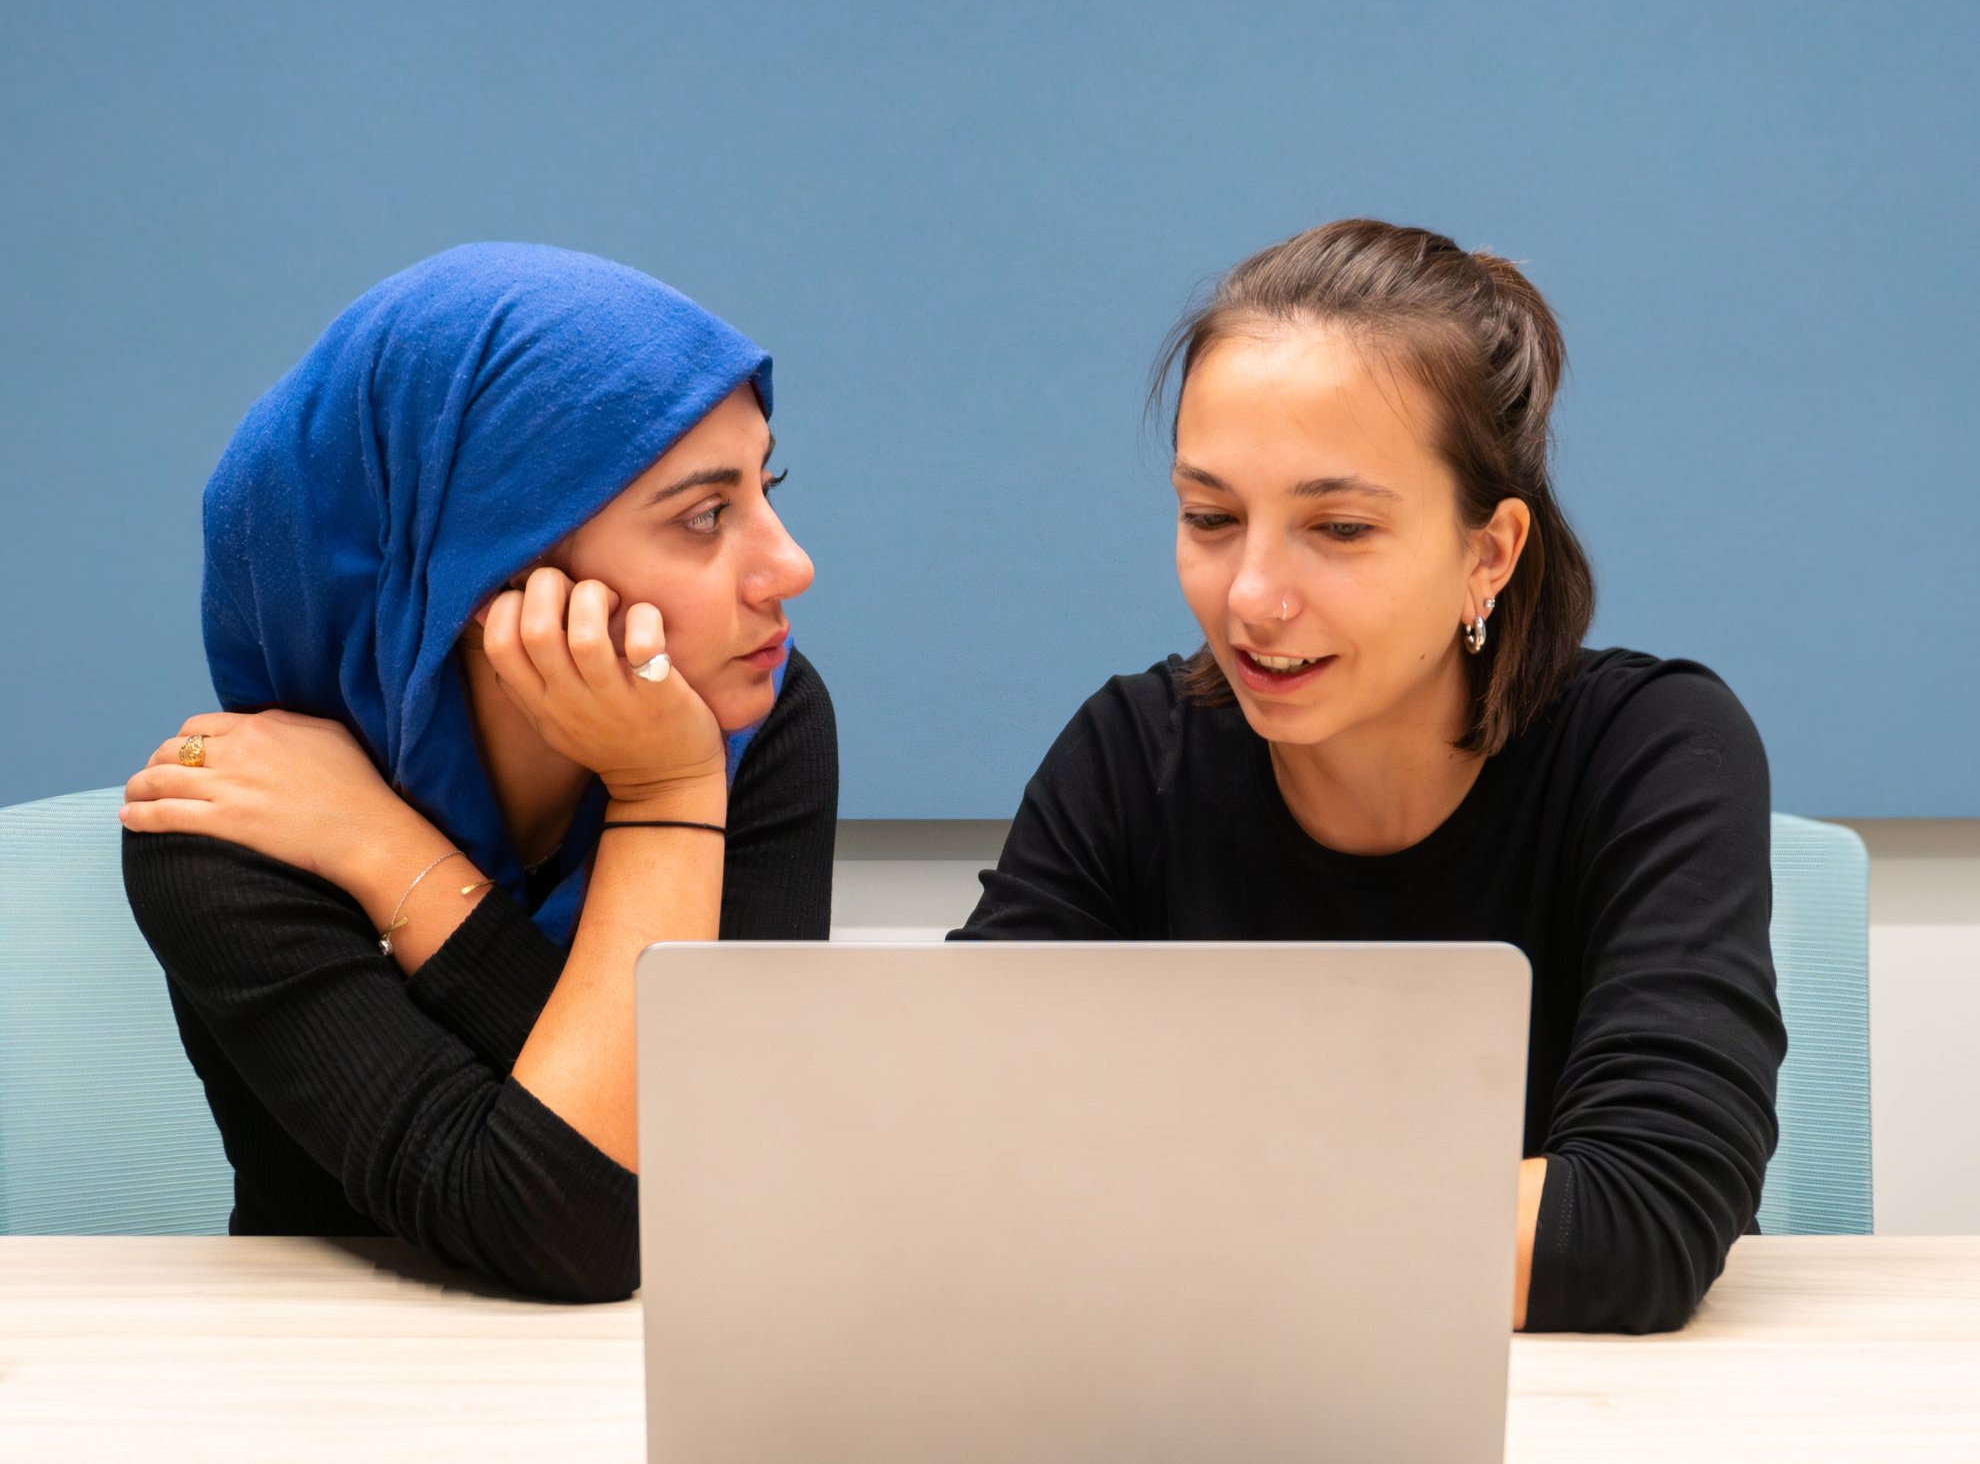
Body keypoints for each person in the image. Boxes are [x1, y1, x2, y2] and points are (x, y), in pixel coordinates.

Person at [953, 219, 1785, 1334]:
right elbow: (953, 1164)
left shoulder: (1656, 747)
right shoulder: (1125, 755)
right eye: (1210, 517)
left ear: (1488, 552)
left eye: (1337, 527)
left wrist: (1153, 1221)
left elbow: (1635, 1225)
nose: (1251, 595)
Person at [121, 243, 835, 1302]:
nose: (791, 568)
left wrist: (400, 854)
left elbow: (734, 1177)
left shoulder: (751, 721)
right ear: (484, 575)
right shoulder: (227, 823)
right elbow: (569, 1225)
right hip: (329, 1391)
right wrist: (670, 809)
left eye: (765, 487)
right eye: (704, 515)